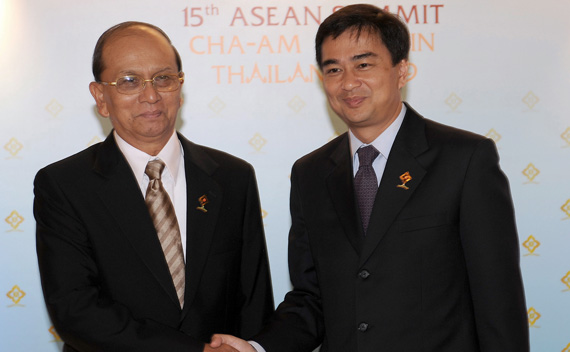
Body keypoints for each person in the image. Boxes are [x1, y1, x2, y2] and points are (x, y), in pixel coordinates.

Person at [211, 4, 529, 352]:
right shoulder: (310, 173)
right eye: (334, 69)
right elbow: (312, 299)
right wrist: (257, 348)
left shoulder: (464, 159)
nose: (348, 83)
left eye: (363, 64)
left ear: (402, 71)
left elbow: (497, 300)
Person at [34, 22, 274, 352]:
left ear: (180, 86)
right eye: (129, 81)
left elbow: (254, 300)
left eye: (163, 78)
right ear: (101, 97)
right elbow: (76, 311)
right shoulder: (64, 185)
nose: (151, 95)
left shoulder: (233, 177)